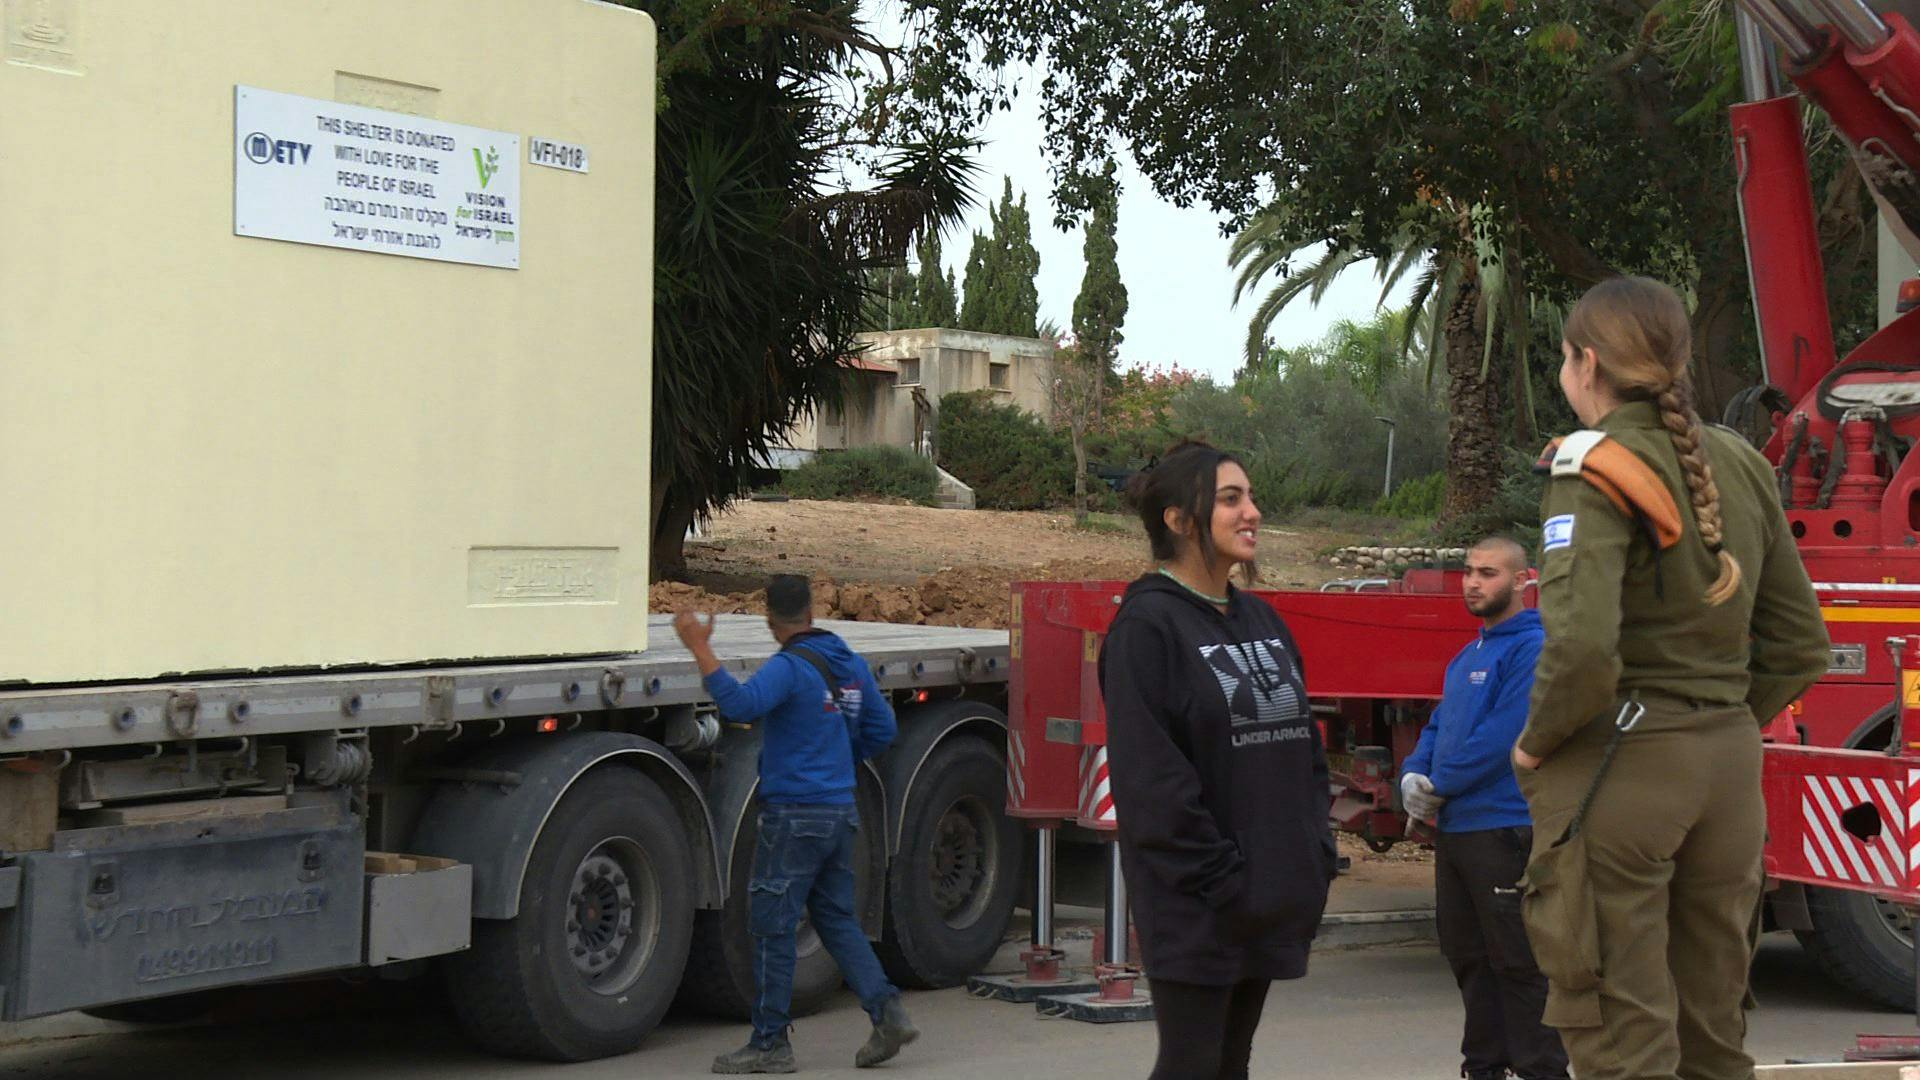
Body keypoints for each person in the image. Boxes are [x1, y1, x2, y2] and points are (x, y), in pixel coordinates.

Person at [1516, 276, 1828, 1080]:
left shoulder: (1591, 463)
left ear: (1586, 362)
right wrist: (1719, 714)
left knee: (1625, 1033)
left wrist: (1536, 743)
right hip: (1729, 765)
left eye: (1564, 359)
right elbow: (1799, 645)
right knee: (1712, 1036)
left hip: (1626, 760)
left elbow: (1582, 645)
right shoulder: (1738, 461)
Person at [1099, 440, 1338, 1080]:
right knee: (1192, 1064)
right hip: (1199, 902)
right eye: (1231, 499)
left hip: (1269, 893)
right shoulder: (1147, 628)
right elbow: (1152, 782)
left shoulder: (1262, 618)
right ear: (1180, 520)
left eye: (1251, 497)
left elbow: (1304, 749)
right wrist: (1222, 880)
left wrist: (1312, 851)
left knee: (1232, 1064)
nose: (1252, 512)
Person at [672, 575, 917, 1075]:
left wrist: (700, 648)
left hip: (793, 816)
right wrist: (837, 764)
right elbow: (883, 729)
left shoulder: (787, 668)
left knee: (772, 926)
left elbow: (739, 706)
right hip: (839, 811)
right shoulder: (848, 663)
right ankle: (887, 1013)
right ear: (811, 611)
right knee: (836, 920)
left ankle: (769, 1045)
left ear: (769, 621)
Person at [1400, 537, 1569, 1080]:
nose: (1473, 582)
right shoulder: (1469, 654)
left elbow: (1507, 735)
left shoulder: (1534, 648)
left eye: (1489, 573)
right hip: (1458, 832)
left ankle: (1540, 1069)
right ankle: (1484, 1068)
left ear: (1524, 580)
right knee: (1468, 958)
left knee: (1519, 963)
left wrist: (1439, 785)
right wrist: (1413, 775)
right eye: (1469, 571)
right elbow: (1439, 724)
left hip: (1505, 829)